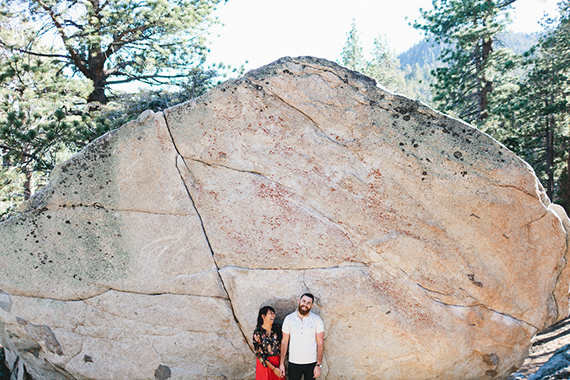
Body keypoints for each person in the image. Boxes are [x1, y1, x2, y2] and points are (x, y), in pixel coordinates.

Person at [279, 293, 324, 379]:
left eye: (308, 303)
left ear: (311, 305)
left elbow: (320, 343)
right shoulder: (289, 319)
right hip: (294, 362)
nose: (305, 304)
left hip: (311, 362)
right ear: (299, 301)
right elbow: (284, 342)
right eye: (304, 301)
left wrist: (318, 365)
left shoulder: (317, 320)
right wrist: (281, 363)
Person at [253, 306, 284, 379]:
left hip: (278, 362)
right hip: (265, 364)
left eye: (274, 313)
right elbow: (259, 353)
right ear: (263, 316)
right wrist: (273, 368)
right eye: (271, 313)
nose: (274, 315)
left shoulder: (278, 328)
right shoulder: (258, 332)